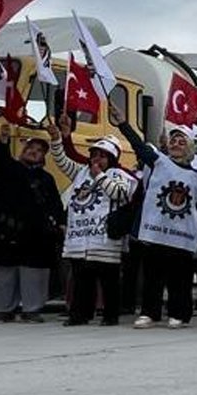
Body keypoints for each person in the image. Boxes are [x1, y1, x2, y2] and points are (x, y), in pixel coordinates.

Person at [115, 108, 197, 330]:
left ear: (190, 147)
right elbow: (139, 147)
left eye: (181, 142)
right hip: (157, 231)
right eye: (173, 141)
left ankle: (179, 313)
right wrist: (124, 124)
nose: (176, 144)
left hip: (182, 234)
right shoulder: (159, 162)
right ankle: (149, 313)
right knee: (152, 274)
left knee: (180, 276)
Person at [47, 115, 136, 326]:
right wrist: (57, 140)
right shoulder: (82, 172)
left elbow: (119, 193)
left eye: (102, 156)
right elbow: (62, 161)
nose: (97, 159)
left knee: (109, 281)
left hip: (105, 241)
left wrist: (100, 176)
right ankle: (79, 314)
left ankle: (110, 316)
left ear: (112, 158)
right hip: (80, 240)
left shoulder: (119, 174)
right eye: (94, 155)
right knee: (81, 280)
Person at [0, 124, 66, 324]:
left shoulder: (46, 179)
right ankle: (2, 311)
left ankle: (32, 310)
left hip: (37, 234)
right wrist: (3, 140)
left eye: (39, 150)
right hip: (8, 232)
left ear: (43, 157)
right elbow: (1, 160)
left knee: (35, 272)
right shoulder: (10, 169)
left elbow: (55, 204)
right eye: (30, 148)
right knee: (3, 272)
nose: (33, 152)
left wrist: (61, 223)